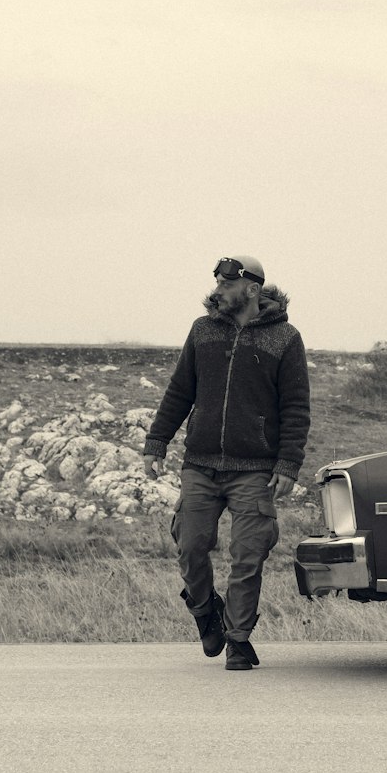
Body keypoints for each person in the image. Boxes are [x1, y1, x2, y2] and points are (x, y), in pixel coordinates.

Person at [143, 256, 310, 671]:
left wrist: (288, 464)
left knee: (248, 555)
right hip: (200, 463)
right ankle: (204, 612)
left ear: (252, 289)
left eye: (226, 282)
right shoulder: (202, 331)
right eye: (216, 281)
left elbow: (296, 407)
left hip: (254, 468)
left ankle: (238, 639)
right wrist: (157, 441)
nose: (218, 288)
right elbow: (180, 389)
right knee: (190, 545)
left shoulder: (285, 339)